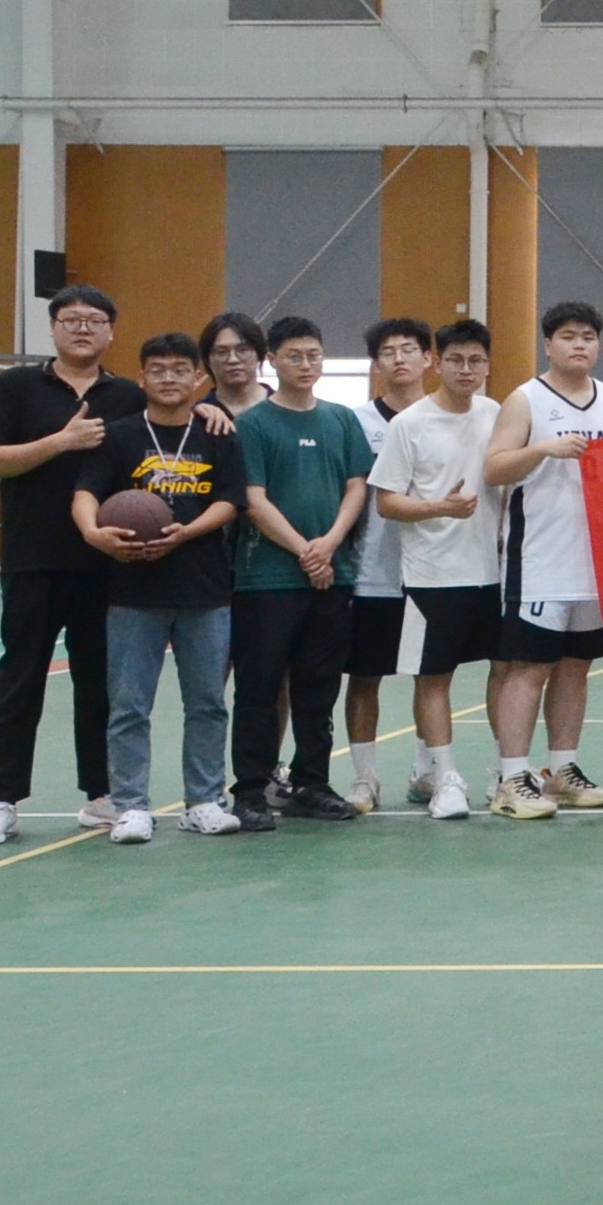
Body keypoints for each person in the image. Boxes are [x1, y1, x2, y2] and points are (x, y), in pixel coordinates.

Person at [0, 284, 150, 845]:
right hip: (33, 560)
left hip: (106, 563)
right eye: (71, 319)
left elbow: (170, 429)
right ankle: (2, 802)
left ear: (111, 332)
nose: (83, 328)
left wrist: (210, 412)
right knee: (20, 681)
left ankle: (101, 795)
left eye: (95, 320)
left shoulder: (128, 396)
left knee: (100, 685)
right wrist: (61, 441)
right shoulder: (16, 386)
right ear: (53, 328)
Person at [77, 332, 253, 842]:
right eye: (158, 370)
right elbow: (86, 492)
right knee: (130, 706)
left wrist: (186, 532)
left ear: (198, 377)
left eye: (180, 369)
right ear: (141, 378)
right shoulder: (119, 435)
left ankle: (204, 800)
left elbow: (230, 501)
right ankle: (131, 806)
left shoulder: (218, 433)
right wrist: (93, 533)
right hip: (133, 593)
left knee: (208, 703)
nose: (169, 378)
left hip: (205, 591)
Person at [479, 299, 603, 822]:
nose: (579, 344)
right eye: (568, 336)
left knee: (575, 668)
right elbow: (493, 468)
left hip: (594, 562)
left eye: (588, 336)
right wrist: (543, 449)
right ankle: (511, 777)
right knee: (529, 669)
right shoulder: (525, 399)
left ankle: (561, 770)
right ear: (548, 344)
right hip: (540, 559)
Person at [228, 314, 373, 824]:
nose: (306, 364)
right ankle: (250, 789)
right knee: (259, 687)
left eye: (313, 355)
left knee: (319, 686)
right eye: (294, 356)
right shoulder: (253, 425)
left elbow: (356, 487)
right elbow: (253, 499)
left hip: (332, 576)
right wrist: (305, 552)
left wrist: (329, 546)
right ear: (272, 361)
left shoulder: (341, 420)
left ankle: (312, 782)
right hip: (267, 580)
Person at [366, 317, 499, 819]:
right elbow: (387, 503)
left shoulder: (495, 414)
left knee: (504, 671)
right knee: (433, 678)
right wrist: (440, 508)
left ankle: (506, 772)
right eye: (456, 360)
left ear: (487, 366)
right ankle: (443, 778)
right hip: (432, 575)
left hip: (491, 573)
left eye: (476, 361)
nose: (466, 369)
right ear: (437, 363)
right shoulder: (409, 424)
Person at [337, 316, 431, 812]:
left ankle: (426, 769)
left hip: (433, 572)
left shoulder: (445, 416)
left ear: (428, 359)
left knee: (430, 677)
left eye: (409, 349)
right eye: (388, 351)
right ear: (376, 364)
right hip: (371, 575)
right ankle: (365, 777)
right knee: (364, 677)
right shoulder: (356, 422)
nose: (399, 358)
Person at [198, 313, 268, 417]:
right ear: (207, 360)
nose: (233, 360)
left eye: (242, 350)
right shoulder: (199, 416)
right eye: (221, 352)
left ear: (259, 354)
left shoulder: (285, 407)